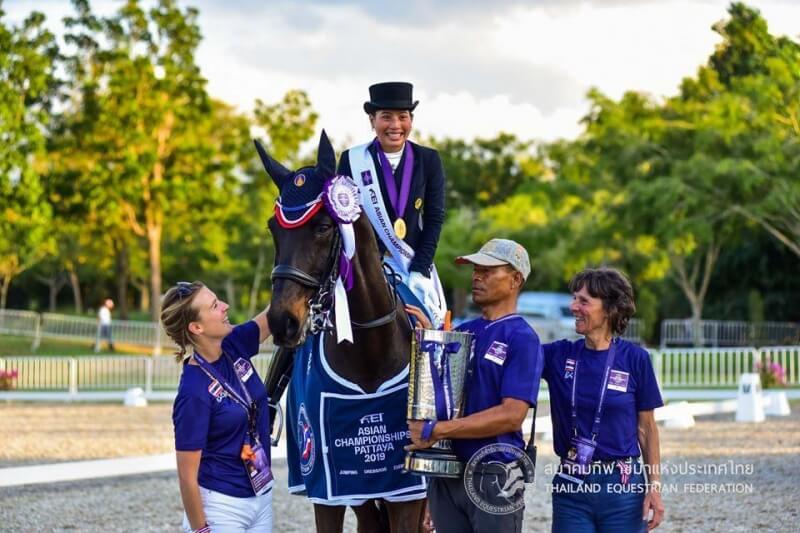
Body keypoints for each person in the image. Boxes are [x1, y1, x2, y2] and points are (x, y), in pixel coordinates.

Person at [406, 238, 544, 533]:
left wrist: (436, 431)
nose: (476, 277)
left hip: (496, 472)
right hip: (448, 473)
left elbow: (511, 415)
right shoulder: (462, 331)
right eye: (475, 270)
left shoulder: (522, 338)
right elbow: (442, 401)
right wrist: (430, 345)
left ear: (515, 279)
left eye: (487, 270)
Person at [543, 268, 665, 532]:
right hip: (570, 487)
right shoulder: (558, 355)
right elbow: (516, 356)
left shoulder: (636, 360)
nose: (573, 306)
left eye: (584, 301)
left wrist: (654, 487)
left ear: (609, 309)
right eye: (574, 298)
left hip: (622, 488)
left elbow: (646, 429)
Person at [161, 281, 274, 533]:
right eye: (214, 305)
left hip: (261, 495)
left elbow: (274, 314)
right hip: (221, 507)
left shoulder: (233, 344)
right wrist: (202, 529)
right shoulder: (193, 392)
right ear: (196, 327)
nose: (225, 306)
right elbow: (187, 477)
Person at [337, 81, 447, 325]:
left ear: (411, 120)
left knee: (429, 332)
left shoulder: (429, 160)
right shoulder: (352, 160)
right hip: (365, 266)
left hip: (412, 264)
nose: (395, 125)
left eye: (403, 117)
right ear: (372, 120)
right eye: (386, 117)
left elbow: (434, 218)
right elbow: (343, 218)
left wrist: (420, 267)